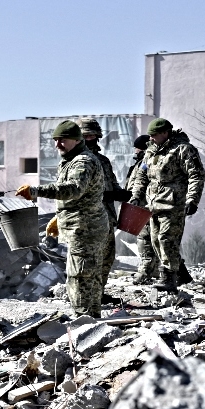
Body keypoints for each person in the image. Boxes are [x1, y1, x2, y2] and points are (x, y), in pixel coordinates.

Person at [16, 121, 107, 317]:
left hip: (86, 228)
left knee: (81, 276)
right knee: (87, 275)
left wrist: (35, 191)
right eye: (55, 140)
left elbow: (73, 189)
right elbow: (78, 197)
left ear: (76, 140)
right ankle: (90, 318)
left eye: (62, 140)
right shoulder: (70, 160)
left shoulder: (83, 162)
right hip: (81, 225)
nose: (57, 145)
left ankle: (84, 321)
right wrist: (60, 218)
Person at [129, 118, 205, 293]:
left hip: (174, 204)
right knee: (155, 241)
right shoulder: (150, 151)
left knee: (167, 240)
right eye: (150, 135)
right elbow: (142, 175)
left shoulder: (183, 149)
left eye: (154, 135)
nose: (151, 138)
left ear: (165, 133)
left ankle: (169, 278)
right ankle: (180, 275)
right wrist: (136, 195)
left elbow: (196, 175)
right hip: (153, 204)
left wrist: (192, 200)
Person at [78, 117, 124, 295]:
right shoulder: (78, 160)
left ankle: (98, 293)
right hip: (87, 219)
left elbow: (113, 184)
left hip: (106, 217)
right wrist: (106, 195)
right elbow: (76, 191)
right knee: (89, 260)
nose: (91, 139)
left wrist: (122, 193)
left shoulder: (103, 160)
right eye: (86, 136)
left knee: (107, 258)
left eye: (93, 135)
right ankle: (87, 296)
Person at [124, 135, 161, 285]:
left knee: (145, 239)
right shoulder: (141, 163)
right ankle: (153, 271)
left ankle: (146, 272)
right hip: (139, 205)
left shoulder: (149, 162)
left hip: (147, 206)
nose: (135, 151)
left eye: (137, 148)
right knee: (149, 239)